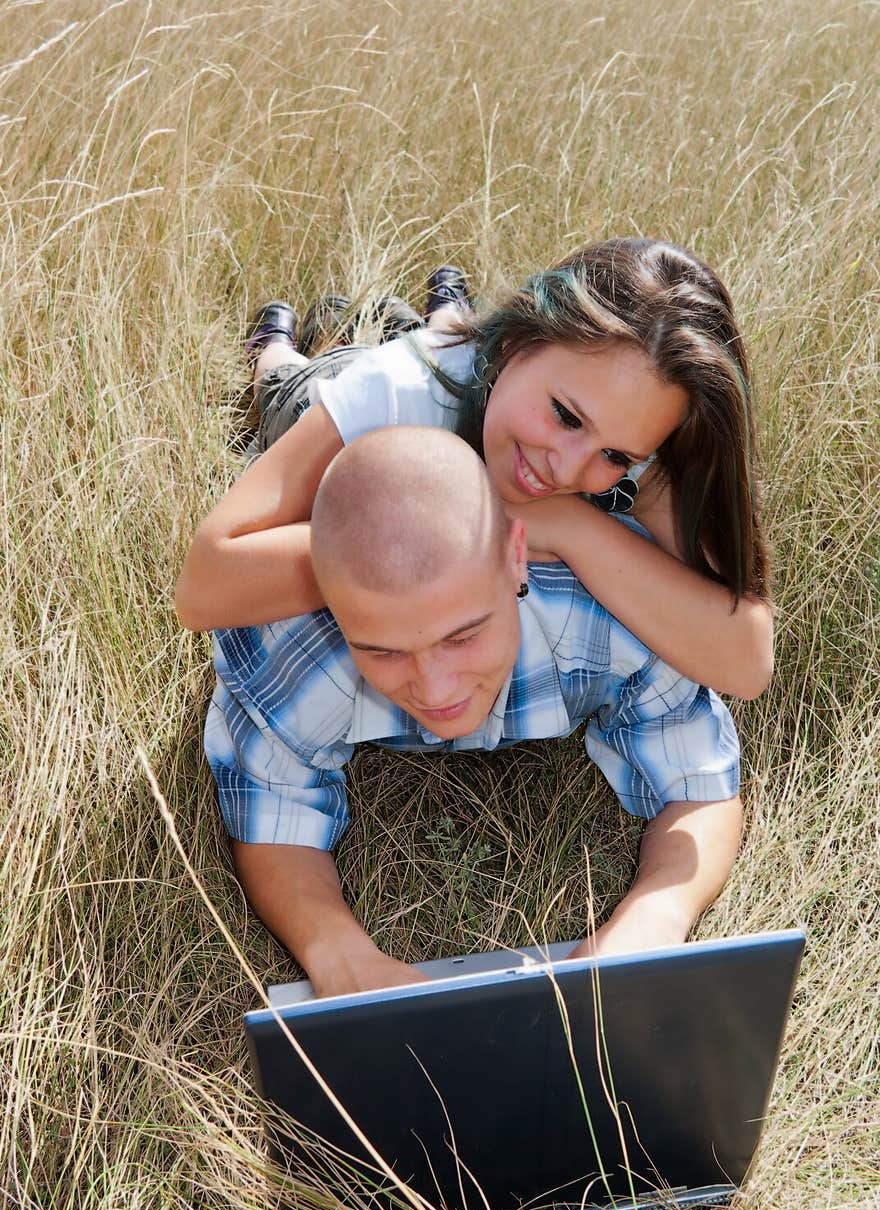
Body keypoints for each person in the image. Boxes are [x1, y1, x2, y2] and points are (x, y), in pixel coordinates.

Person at [204, 425, 742, 999]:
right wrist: (333, 947)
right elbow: (272, 804)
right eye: (382, 651)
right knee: (286, 390)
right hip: (326, 417)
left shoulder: (610, 618)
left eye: (463, 636)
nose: (435, 688)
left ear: (517, 558)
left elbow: (699, 780)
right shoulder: (301, 651)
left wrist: (656, 916)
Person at [175, 239, 774, 701]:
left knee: (442, 344)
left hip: (468, 371)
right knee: (292, 384)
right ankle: (275, 342)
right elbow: (203, 589)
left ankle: (446, 313)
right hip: (335, 391)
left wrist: (568, 526)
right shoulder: (392, 389)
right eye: (565, 416)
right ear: (516, 343)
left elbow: (745, 661)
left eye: (615, 456)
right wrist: (445, 536)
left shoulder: (639, 442)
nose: (566, 468)